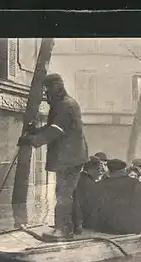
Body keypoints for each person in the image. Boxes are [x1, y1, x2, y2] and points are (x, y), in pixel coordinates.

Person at [18, 73, 89, 238]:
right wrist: (35, 132)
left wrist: (32, 140)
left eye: (48, 88)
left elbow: (56, 130)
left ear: (57, 86)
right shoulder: (63, 104)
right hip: (73, 156)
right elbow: (52, 126)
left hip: (69, 157)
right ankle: (75, 226)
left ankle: (63, 230)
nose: (46, 93)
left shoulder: (65, 105)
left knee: (63, 193)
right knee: (70, 192)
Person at [91, 158, 141, 235]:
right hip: (128, 227)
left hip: (105, 228)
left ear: (109, 170)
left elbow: (95, 208)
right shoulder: (134, 183)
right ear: (123, 170)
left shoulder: (99, 185)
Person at [72, 156, 102, 234]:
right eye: (98, 169)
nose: (99, 173)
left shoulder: (77, 179)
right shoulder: (90, 184)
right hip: (84, 225)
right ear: (91, 170)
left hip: (74, 222)